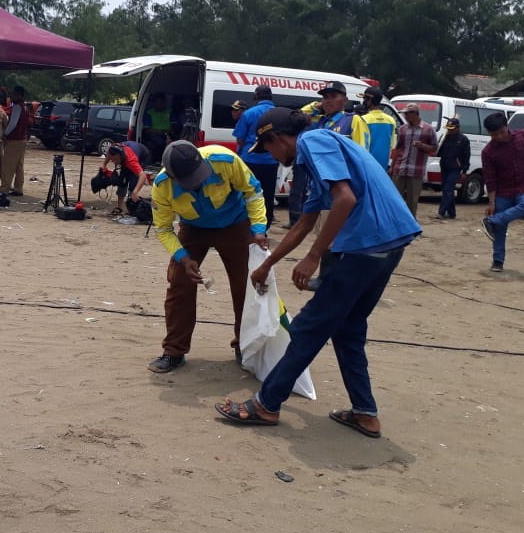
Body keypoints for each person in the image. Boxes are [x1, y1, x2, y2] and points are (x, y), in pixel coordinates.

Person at [215, 107, 421, 437]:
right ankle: (365, 413)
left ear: (278, 138)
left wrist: (313, 256)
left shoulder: (314, 140)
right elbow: (304, 223)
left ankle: (266, 405)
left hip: (363, 246)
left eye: (267, 147)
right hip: (389, 244)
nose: (269, 154)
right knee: (349, 329)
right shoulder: (315, 163)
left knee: (309, 327)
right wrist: (267, 264)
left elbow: (345, 199)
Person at [148, 140, 268, 374]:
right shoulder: (162, 187)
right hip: (193, 229)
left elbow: (253, 192)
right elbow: (163, 229)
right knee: (179, 284)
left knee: (246, 286)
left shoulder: (226, 160)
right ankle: (174, 351)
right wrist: (183, 258)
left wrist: (259, 229)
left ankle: (245, 348)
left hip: (236, 225)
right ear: (172, 177)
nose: (199, 182)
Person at [285, 81, 371, 229]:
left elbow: (363, 155)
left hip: (345, 190)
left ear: (345, 100)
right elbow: (296, 118)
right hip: (322, 190)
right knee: (324, 238)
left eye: (333, 96)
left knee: (341, 236)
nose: (327, 101)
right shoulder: (319, 122)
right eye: (325, 97)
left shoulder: (353, 120)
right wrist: (315, 106)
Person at [480, 112, 524, 272]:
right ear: (489, 133)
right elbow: (490, 178)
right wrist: (492, 202)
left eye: (501, 132)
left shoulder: (523, 136)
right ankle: (498, 261)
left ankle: (493, 221)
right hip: (502, 192)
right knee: (500, 230)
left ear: (507, 126)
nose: (499, 137)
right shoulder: (488, 152)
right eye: (494, 134)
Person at [233, 86, 279, 228]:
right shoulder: (279, 114)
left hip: (250, 160)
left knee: (248, 193)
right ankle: (264, 227)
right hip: (271, 160)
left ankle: (248, 225)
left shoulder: (249, 113)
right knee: (268, 195)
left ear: (256, 96)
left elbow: (240, 138)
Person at [390, 103, 437, 217]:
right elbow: (398, 148)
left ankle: (410, 225)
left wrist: (422, 146)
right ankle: (395, 222)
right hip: (400, 168)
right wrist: (392, 167)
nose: (405, 117)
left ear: (415, 114)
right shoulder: (402, 129)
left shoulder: (428, 129)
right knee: (395, 198)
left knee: (412, 200)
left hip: (416, 170)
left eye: (407, 114)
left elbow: (434, 148)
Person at [101, 141, 151, 214]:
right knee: (122, 180)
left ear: (121, 156)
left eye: (116, 160)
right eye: (112, 160)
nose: (114, 162)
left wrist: (136, 191)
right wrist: (104, 165)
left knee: (133, 182)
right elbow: (109, 155)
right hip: (128, 147)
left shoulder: (131, 161)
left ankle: (132, 207)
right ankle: (119, 207)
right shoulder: (113, 149)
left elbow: (142, 175)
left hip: (142, 155)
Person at [435, 117, 470, 219]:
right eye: (448, 128)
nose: (450, 130)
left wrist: (464, 170)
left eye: (452, 128)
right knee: (446, 189)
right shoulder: (444, 137)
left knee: (448, 189)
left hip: (455, 168)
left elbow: (467, 156)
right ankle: (452, 212)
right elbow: (439, 152)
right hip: (444, 166)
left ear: (458, 128)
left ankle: (441, 212)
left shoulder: (463, 139)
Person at [358, 86, 397, 170]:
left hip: (367, 165)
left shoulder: (363, 119)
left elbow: (362, 146)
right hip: (383, 166)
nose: (363, 101)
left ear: (370, 100)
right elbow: (392, 146)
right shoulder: (391, 120)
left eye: (365, 98)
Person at [0, 85, 29, 196]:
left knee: (8, 165)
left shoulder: (17, 107)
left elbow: (13, 123)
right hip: (22, 139)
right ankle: (18, 188)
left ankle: (4, 188)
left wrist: (5, 134)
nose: (11, 96)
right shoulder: (25, 107)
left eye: (13, 94)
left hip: (15, 140)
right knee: (18, 165)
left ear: (19, 95)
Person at [142, 94, 173, 164]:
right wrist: (159, 132)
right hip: (154, 135)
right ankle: (157, 161)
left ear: (164, 103)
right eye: (157, 102)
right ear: (154, 103)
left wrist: (168, 133)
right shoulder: (149, 113)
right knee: (159, 142)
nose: (159, 104)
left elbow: (175, 126)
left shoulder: (170, 112)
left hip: (169, 134)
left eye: (161, 102)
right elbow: (147, 129)